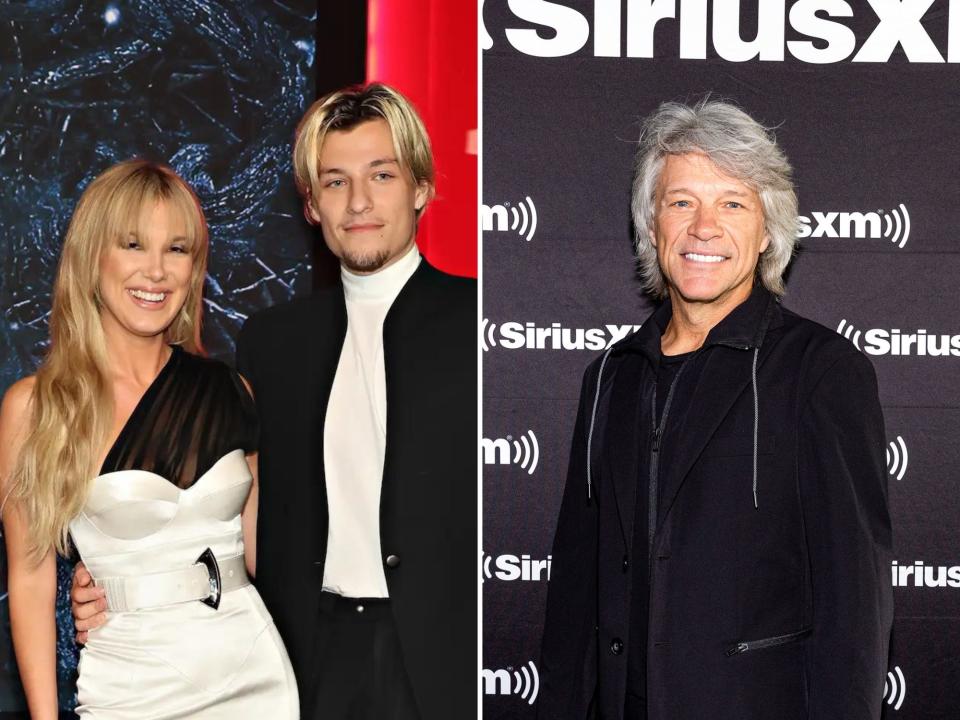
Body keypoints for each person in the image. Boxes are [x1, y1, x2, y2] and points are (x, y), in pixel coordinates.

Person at [74, 84, 477, 719]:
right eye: (336, 182)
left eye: (382, 175)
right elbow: (228, 504)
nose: (361, 201)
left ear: (421, 188)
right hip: (299, 659)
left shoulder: (479, 323)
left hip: (443, 657)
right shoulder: (273, 342)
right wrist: (119, 579)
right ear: (312, 205)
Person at [537, 100, 893, 720]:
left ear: (768, 231)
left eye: (732, 203)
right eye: (681, 203)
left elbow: (854, 599)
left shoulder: (820, 370)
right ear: (652, 226)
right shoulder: (610, 378)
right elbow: (576, 589)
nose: (704, 227)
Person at [1, 160, 298, 719]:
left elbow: (272, 555)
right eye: (134, 245)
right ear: (93, 258)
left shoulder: (232, 391)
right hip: (130, 689)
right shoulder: (37, 407)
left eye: (177, 249)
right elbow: (31, 577)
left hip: (254, 674)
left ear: (195, 269)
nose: (156, 271)